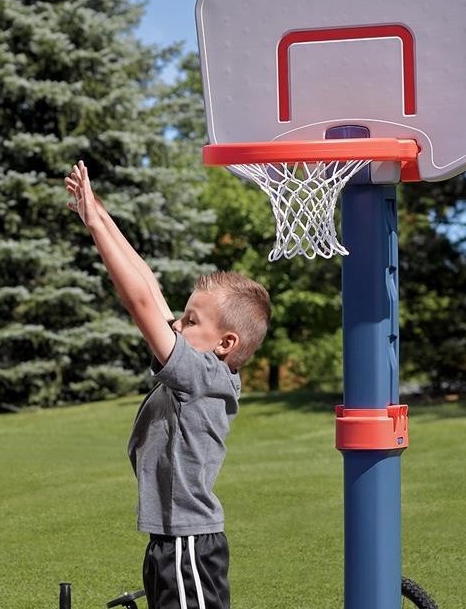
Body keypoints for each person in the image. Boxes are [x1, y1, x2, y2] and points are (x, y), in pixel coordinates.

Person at [65, 160, 271, 609]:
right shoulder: (199, 367)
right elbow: (150, 285)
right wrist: (96, 213)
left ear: (225, 343)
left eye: (191, 320)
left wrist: (97, 227)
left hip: (188, 545)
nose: (177, 322)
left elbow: (138, 300)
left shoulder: (200, 375)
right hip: (170, 542)